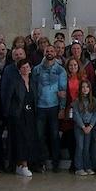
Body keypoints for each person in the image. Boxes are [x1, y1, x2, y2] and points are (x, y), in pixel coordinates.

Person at [32, 44, 67, 172]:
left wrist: (62, 108)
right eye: (47, 51)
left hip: (54, 106)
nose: (50, 53)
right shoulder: (36, 69)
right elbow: (33, 88)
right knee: (39, 135)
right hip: (40, 107)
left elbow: (63, 90)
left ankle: (55, 162)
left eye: (52, 50)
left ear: (55, 53)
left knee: (54, 135)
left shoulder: (61, 70)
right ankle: (41, 161)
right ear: (44, 52)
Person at [3, 59, 37, 177]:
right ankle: (23, 165)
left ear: (30, 68)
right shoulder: (15, 82)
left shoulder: (33, 82)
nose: (25, 69)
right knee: (20, 140)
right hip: (18, 115)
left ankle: (22, 165)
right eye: (23, 67)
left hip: (30, 114)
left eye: (27, 67)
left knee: (29, 139)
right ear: (19, 70)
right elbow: (8, 99)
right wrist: (7, 114)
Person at [72, 80, 96, 176]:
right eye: (83, 87)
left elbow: (95, 114)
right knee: (80, 146)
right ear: (80, 89)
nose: (85, 89)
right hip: (80, 127)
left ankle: (87, 166)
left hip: (89, 126)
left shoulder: (93, 100)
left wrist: (90, 126)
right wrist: (83, 126)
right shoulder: (76, 101)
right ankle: (79, 168)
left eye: (87, 87)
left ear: (90, 88)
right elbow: (76, 115)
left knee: (86, 147)